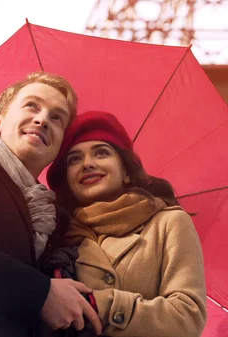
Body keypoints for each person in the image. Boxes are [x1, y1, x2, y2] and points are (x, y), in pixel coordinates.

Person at [0, 72, 102, 337]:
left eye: (57, 117)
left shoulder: (52, 220)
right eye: (31, 105)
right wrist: (40, 293)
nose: (43, 119)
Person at [45, 111, 207, 337]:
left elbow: (188, 317)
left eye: (101, 153)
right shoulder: (54, 238)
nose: (87, 164)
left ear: (126, 173)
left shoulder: (169, 223)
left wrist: (100, 304)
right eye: (75, 159)